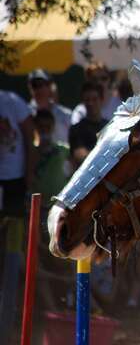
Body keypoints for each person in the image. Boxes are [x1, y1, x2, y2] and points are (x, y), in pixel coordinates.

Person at [0, 89, 35, 342]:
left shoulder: (13, 102)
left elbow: (29, 138)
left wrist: (29, 181)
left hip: (14, 188)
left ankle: (9, 327)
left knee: (13, 260)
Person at [32, 109, 70, 203]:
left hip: (59, 201)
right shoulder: (30, 151)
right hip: (38, 203)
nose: (45, 130)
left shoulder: (62, 148)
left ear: (53, 127)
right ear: (35, 128)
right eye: (41, 127)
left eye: (48, 127)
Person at [27, 68, 71, 145]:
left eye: (42, 84)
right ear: (30, 88)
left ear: (50, 86)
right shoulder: (25, 115)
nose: (39, 89)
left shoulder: (65, 115)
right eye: (35, 85)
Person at [68, 82, 108, 167]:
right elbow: (80, 156)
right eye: (87, 99)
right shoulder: (76, 129)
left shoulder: (111, 127)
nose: (91, 103)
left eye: (94, 99)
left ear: (102, 100)